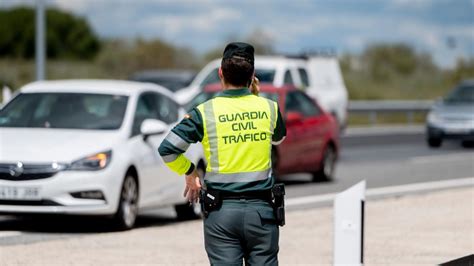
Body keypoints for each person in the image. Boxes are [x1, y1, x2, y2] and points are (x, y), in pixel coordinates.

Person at [158, 42, 286, 265]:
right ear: (252, 75)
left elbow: (167, 149)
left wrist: (190, 172)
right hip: (262, 214)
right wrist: (256, 97)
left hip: (222, 216)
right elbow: (279, 137)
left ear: (220, 73)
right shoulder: (269, 108)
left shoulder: (205, 112)